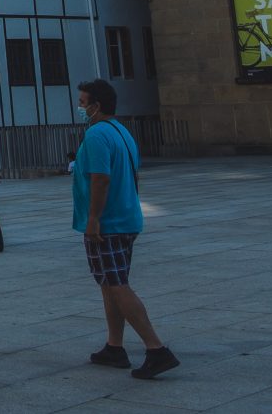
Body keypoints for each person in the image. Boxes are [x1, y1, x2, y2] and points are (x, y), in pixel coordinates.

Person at [73, 79, 178, 380]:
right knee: (109, 282)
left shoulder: (96, 135)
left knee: (117, 284)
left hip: (108, 223)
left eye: (83, 103)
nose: (80, 108)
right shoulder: (122, 132)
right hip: (126, 218)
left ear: (96, 106)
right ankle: (114, 346)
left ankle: (156, 349)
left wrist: (94, 218)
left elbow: (100, 178)